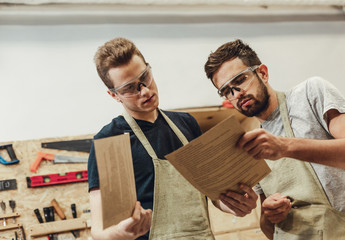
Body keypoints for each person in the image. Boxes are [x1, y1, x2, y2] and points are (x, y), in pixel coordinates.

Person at [88, 37, 258, 240]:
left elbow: (211, 194)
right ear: (114, 95)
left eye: (145, 77)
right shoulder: (110, 141)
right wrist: (121, 233)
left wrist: (233, 205)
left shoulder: (186, 124)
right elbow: (99, 231)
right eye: (130, 88)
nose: (145, 90)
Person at [204, 39, 345, 240]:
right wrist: (271, 215)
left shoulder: (310, 94)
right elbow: (268, 229)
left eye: (240, 80)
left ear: (263, 73)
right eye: (227, 90)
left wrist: (285, 146)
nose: (237, 94)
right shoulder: (251, 149)